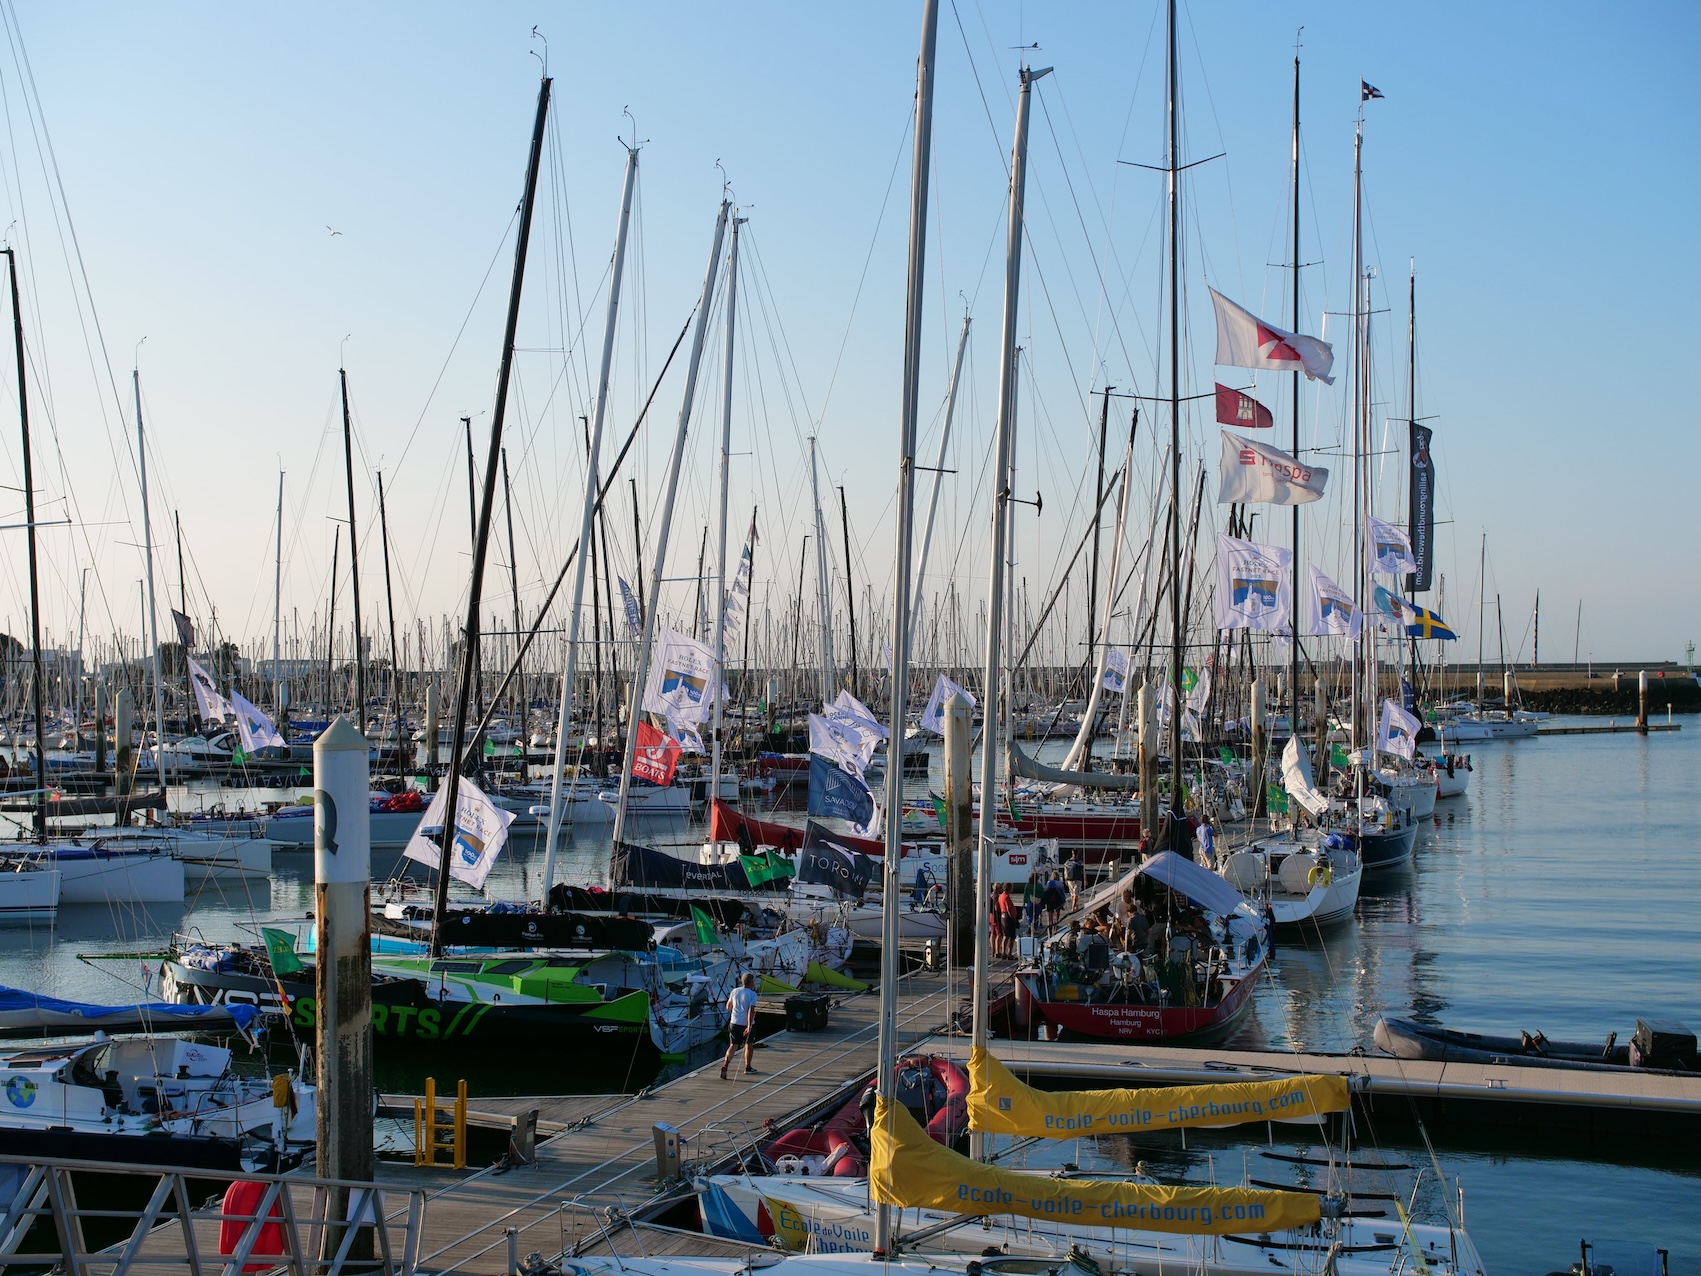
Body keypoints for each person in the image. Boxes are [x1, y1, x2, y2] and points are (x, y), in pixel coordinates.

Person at [721, 972, 760, 1079]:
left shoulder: (734, 991)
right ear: (751, 982)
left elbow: (728, 1007)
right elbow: (750, 1011)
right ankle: (748, 1067)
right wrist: (749, 1026)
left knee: (733, 1045)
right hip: (745, 1024)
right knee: (749, 1045)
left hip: (734, 1022)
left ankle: (725, 1064)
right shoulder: (752, 994)